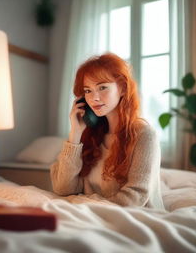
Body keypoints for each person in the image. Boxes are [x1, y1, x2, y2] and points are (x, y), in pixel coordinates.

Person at [50, 53, 164, 209]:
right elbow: (63, 189)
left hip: (136, 219)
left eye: (102, 87)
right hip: (94, 217)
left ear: (123, 88)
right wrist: (75, 134)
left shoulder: (144, 134)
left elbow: (135, 196)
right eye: (88, 91)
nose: (94, 98)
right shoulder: (89, 134)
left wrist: (88, 206)